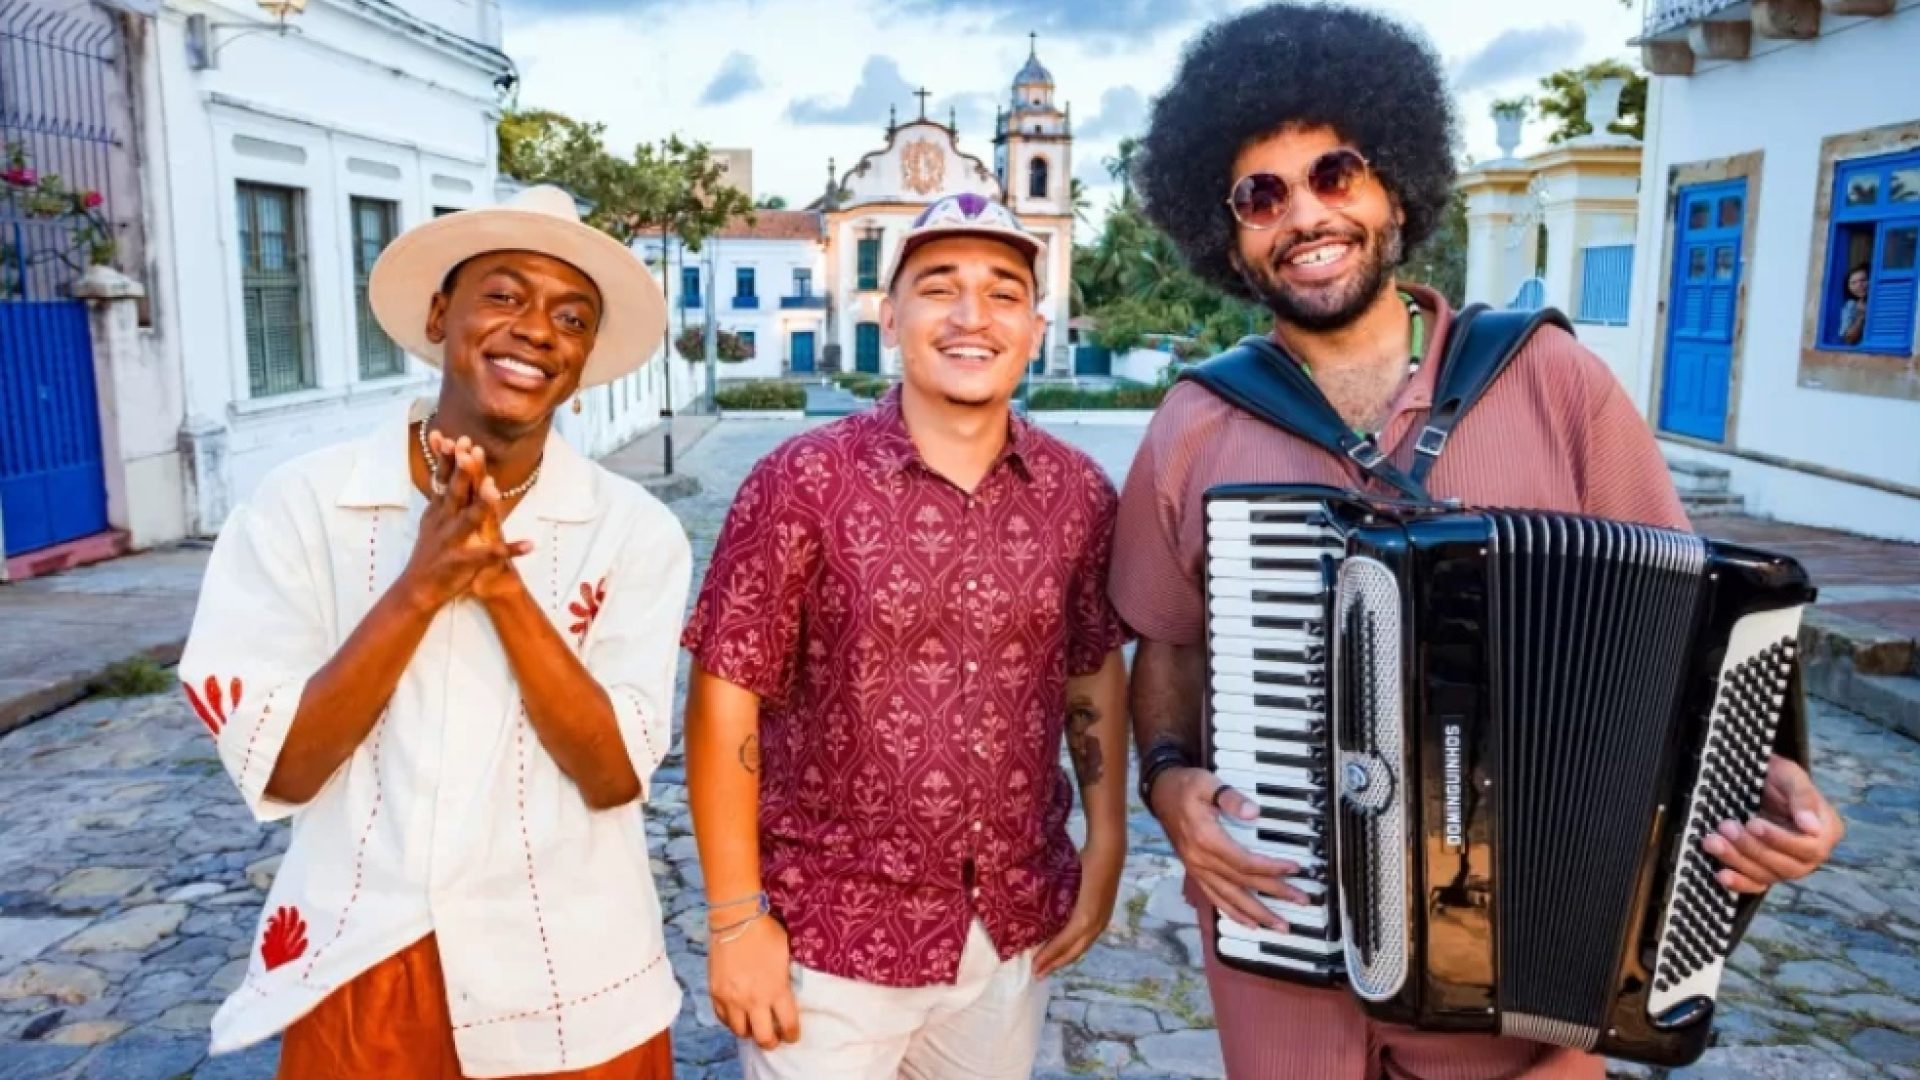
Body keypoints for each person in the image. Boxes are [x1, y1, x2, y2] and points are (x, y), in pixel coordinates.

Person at [1110, 6, 1848, 1079]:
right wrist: (1170, 781)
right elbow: (1166, 644)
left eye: (1337, 172)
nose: (1304, 213)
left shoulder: (1554, 384)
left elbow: (1698, 633)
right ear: (1229, 237)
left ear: (1396, 190)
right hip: (1285, 934)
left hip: (1527, 959)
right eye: (1261, 194)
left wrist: (1771, 786)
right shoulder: (1197, 422)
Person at [181, 185, 690, 1079]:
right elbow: (285, 766)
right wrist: (422, 584)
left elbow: (614, 773)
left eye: (571, 317)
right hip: (366, 965)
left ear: (582, 356)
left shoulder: (634, 531)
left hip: (576, 975)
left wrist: (500, 587)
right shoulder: (303, 506)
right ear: (437, 312)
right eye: (503, 294)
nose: (537, 328)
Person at [680, 192, 1131, 1080]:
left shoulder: (1078, 493)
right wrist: (735, 919)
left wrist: (1108, 840)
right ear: (891, 317)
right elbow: (725, 695)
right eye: (939, 288)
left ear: (1034, 326)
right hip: (828, 934)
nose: (973, 316)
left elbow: (1090, 672)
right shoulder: (800, 482)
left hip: (1007, 929)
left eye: (1003, 292)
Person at [1840, 263, 1870, 345]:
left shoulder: (1882, 301)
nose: (1859, 285)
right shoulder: (1851, 305)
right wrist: (1861, 316)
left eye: (1863, 280)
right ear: (1848, 287)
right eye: (1853, 283)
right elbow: (1848, 338)